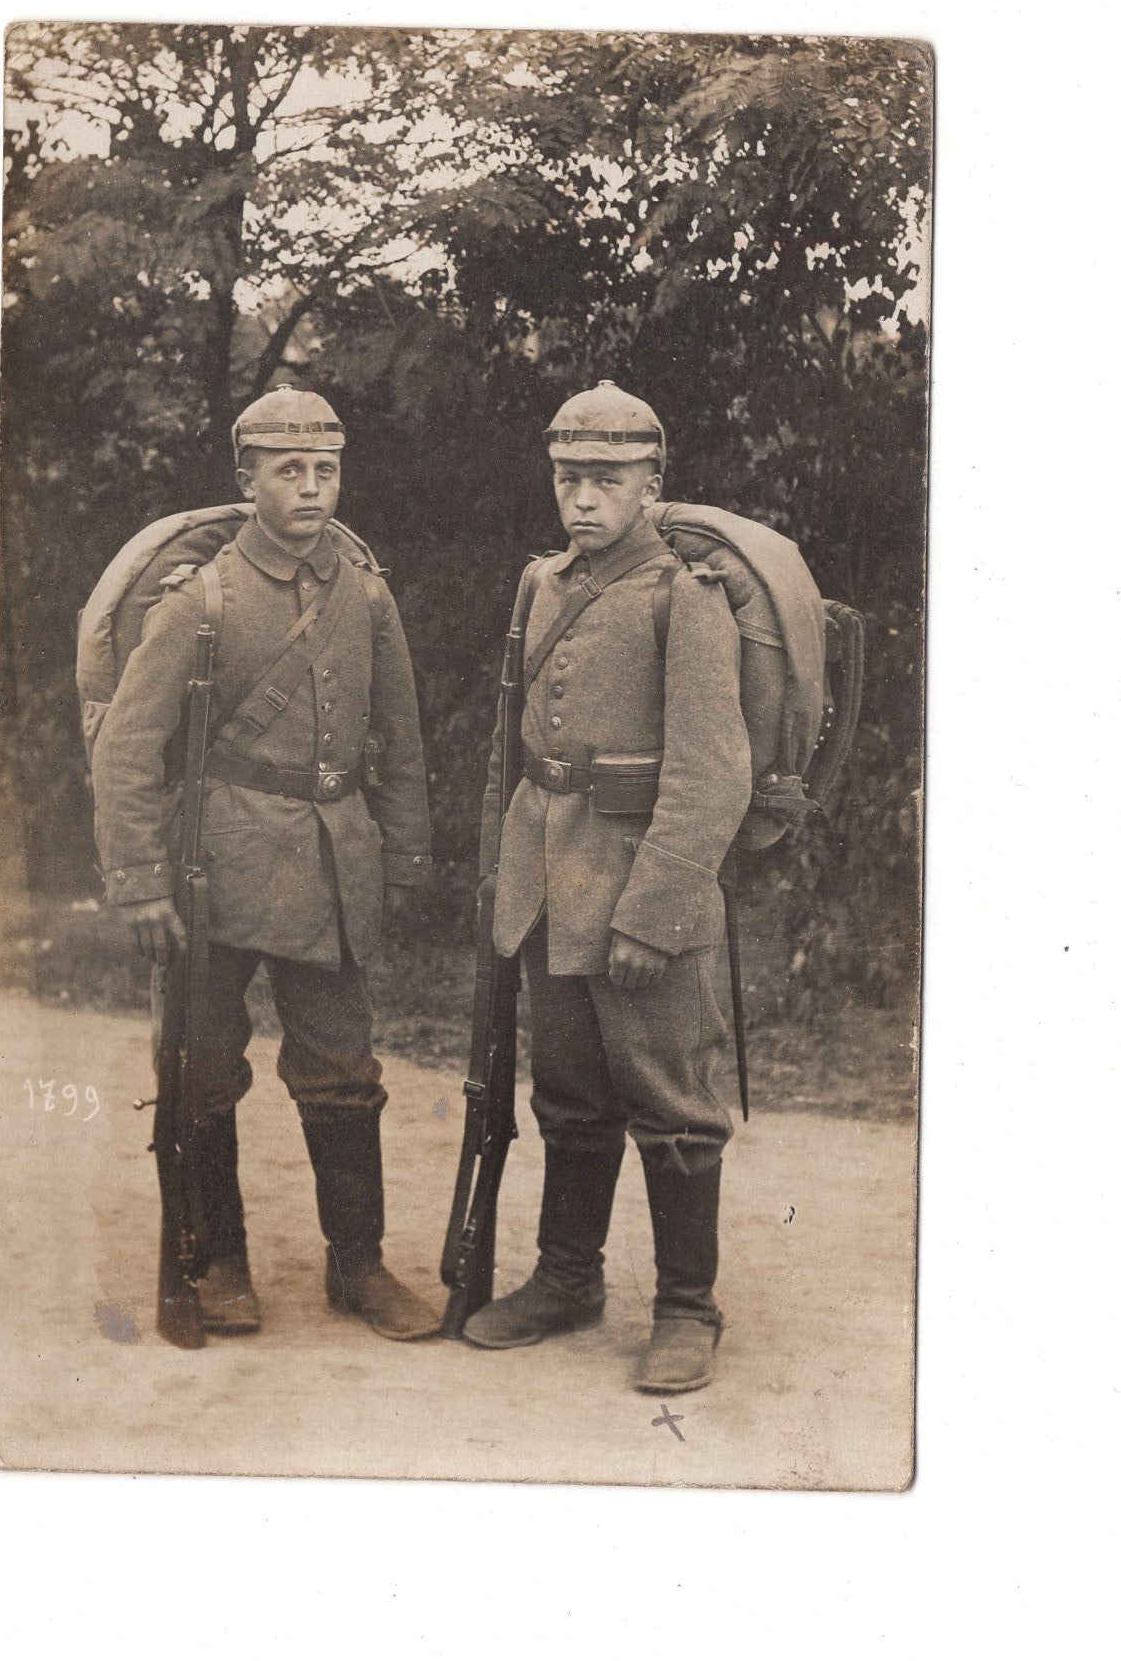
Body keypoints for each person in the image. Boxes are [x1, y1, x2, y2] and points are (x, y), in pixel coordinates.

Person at [90, 381, 440, 1341]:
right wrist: (138, 883)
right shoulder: (202, 599)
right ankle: (220, 1263)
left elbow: (400, 738)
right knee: (202, 1070)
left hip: (331, 866)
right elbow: (126, 748)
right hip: (217, 867)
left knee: (341, 1069)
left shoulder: (366, 595)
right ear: (247, 480)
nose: (312, 488)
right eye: (290, 471)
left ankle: (358, 1266)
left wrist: (403, 855)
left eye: (326, 470)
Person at [462, 381, 752, 1392]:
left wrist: (658, 911)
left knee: (670, 1102)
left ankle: (684, 1308)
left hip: (640, 890)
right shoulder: (543, 584)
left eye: (606, 479)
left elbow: (712, 772)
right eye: (567, 476)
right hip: (550, 879)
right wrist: (506, 878)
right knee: (571, 1096)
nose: (582, 497)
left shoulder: (685, 597)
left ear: (651, 484)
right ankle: (565, 1279)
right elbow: (515, 748)